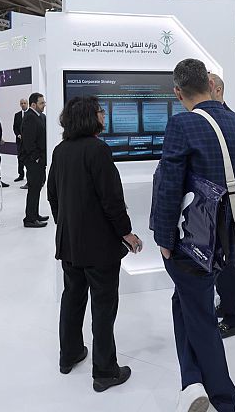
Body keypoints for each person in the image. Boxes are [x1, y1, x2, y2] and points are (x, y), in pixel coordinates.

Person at [152, 59, 235, 412]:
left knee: (200, 319)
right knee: (184, 301)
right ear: (210, 84)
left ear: (177, 92)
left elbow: (169, 186)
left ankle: (224, 399)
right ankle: (191, 383)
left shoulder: (181, 124)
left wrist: (164, 239)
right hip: (228, 239)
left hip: (191, 241)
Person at [48, 96, 143, 392]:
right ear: (91, 117)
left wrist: (66, 225)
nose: (104, 116)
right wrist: (127, 233)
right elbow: (111, 199)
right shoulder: (98, 150)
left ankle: (69, 354)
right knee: (103, 306)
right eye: (101, 112)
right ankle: (104, 371)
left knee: (72, 298)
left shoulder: (61, 150)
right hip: (99, 247)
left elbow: (52, 195)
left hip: (69, 243)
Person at [208, 73, 235, 340]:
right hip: (225, 207)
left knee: (228, 264)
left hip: (227, 208)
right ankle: (227, 306)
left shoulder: (231, 123)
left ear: (217, 89)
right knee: (223, 262)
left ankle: (233, 319)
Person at [20, 92, 49, 228]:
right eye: (41, 103)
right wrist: (36, 158)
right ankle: (30, 219)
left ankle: (34, 215)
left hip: (39, 160)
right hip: (33, 161)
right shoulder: (30, 118)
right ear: (33, 104)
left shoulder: (38, 116)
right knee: (33, 189)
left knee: (37, 188)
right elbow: (29, 142)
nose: (44, 105)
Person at [13, 98, 29, 183]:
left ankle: (29, 175)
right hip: (19, 141)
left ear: (27, 104)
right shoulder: (17, 115)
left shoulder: (30, 114)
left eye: (24, 103)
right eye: (21, 103)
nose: (23, 104)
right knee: (20, 158)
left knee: (28, 158)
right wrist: (18, 134)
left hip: (28, 141)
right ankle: (21, 175)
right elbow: (15, 127)